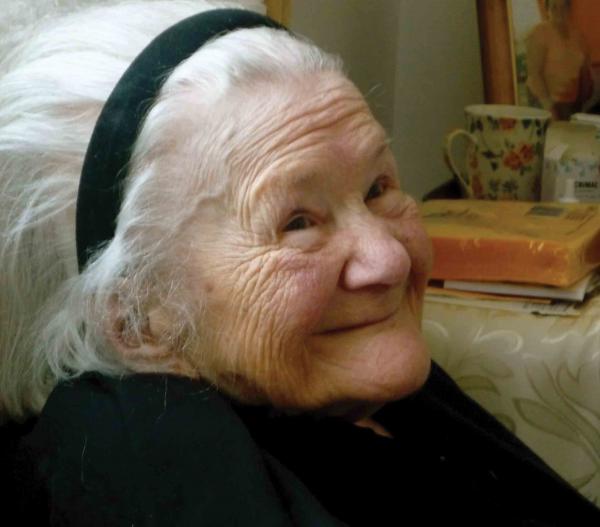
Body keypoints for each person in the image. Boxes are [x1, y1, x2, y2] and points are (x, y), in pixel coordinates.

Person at [1, 1, 599, 525]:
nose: (388, 259)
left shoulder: (359, 387)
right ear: (138, 321)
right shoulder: (155, 464)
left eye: (377, 188)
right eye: (297, 223)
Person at [525, 0, 593, 120]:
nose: (559, 12)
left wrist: (581, 104)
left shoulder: (578, 36)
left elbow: (585, 73)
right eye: (554, 7)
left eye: (563, 7)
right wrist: (549, 109)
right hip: (544, 102)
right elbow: (535, 74)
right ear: (547, 10)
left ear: (569, 9)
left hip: (571, 103)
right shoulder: (540, 32)